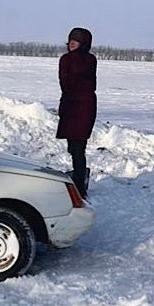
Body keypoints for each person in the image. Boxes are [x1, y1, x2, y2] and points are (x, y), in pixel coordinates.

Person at [57, 27, 97, 198]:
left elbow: (67, 82)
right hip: (74, 106)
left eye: (77, 40)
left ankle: (79, 185)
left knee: (78, 147)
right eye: (71, 40)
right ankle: (79, 178)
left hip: (80, 107)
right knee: (75, 147)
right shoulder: (85, 59)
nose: (72, 43)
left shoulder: (76, 60)